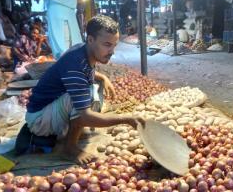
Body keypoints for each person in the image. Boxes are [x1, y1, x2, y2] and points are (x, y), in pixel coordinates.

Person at [15, 15, 145, 164]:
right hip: (39, 119)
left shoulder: (83, 51)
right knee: (84, 98)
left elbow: (88, 73)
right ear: (90, 40)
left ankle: (73, 130)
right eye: (107, 45)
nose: (112, 51)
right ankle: (69, 149)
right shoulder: (75, 65)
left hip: (51, 109)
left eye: (114, 45)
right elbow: (84, 115)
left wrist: (103, 77)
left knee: (93, 87)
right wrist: (127, 119)